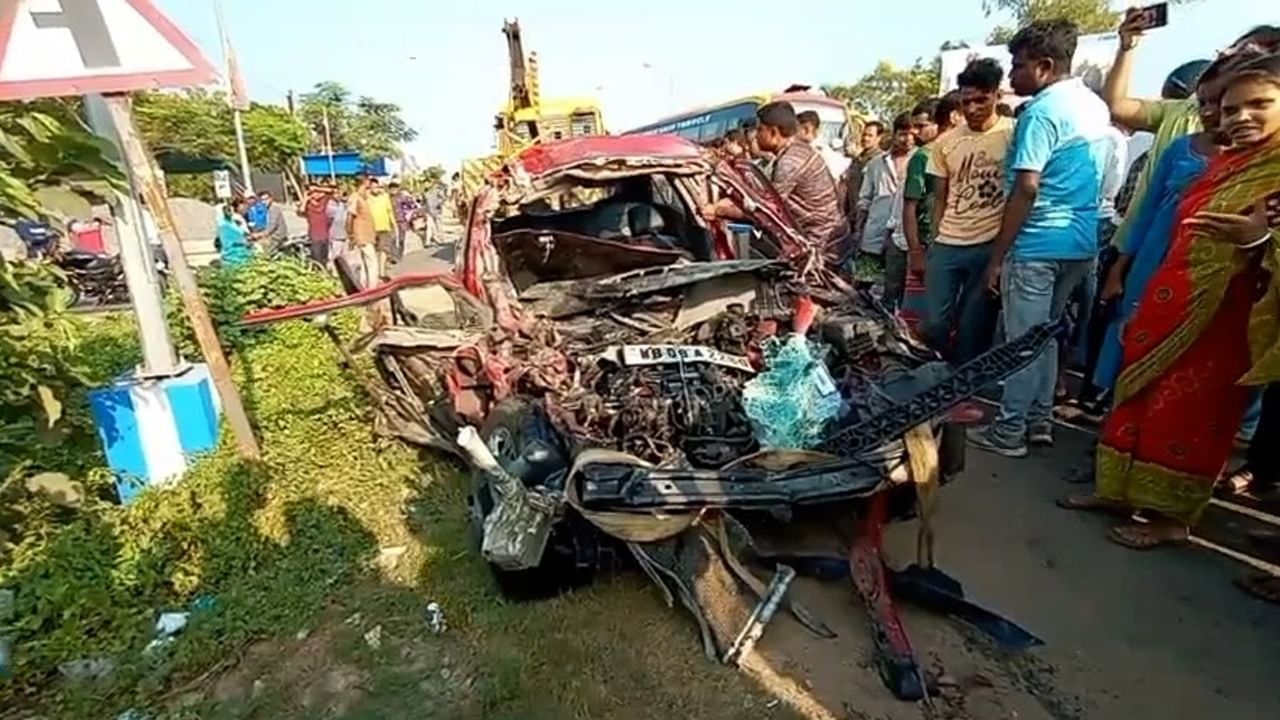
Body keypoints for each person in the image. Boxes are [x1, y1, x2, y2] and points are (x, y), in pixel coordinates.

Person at [1060, 53, 1280, 553]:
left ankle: (1170, 519)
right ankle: (1117, 491)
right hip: (1171, 294)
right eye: (1229, 110)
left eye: (1258, 105)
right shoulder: (1227, 162)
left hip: (1224, 316)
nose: (1240, 118)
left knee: (1189, 412)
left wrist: (1257, 242)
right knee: (1138, 395)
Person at [968, 20, 1111, 458]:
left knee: (1019, 342)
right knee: (1045, 338)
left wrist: (998, 255)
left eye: (1018, 66)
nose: (1012, 77)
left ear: (1045, 67)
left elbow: (1026, 187)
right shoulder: (1094, 106)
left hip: (1038, 243)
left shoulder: (1041, 112)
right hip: (1081, 243)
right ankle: (1039, 420)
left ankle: (1009, 431)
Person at [1090, 80, 1227, 398]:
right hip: (1153, 257)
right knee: (1130, 336)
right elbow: (1146, 211)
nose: (1208, 112)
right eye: (1202, 103)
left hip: (1207, 268)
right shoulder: (1181, 148)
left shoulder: (1256, 163)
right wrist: (1119, 269)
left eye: (1218, 103)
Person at [922, 59, 1013, 365]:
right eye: (966, 101)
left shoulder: (1014, 135)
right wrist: (934, 241)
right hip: (948, 243)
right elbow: (938, 197)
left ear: (996, 96)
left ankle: (960, 391)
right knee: (934, 323)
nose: (972, 108)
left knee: (973, 331)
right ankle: (935, 376)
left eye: (981, 100)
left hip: (989, 246)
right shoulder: (945, 143)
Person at [702, 101, 846, 256]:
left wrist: (719, 210)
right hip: (828, 239)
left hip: (823, 244)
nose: (756, 135)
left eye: (760, 130)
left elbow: (768, 212)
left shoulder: (790, 162)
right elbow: (760, 194)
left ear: (773, 133)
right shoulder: (797, 152)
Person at [903, 93, 962, 277]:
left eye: (920, 126)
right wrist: (915, 251)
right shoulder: (923, 156)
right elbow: (909, 207)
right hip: (929, 243)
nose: (914, 132)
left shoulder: (964, 151)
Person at [855, 113, 914, 294]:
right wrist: (859, 229)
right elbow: (865, 199)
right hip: (874, 233)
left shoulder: (920, 161)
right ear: (894, 134)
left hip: (903, 237)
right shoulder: (876, 164)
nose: (907, 139)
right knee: (863, 285)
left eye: (912, 134)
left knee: (894, 288)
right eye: (903, 134)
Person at [843, 120, 885, 229]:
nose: (866, 139)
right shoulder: (858, 159)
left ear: (879, 137)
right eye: (864, 135)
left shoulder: (880, 161)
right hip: (853, 213)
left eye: (870, 135)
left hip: (869, 216)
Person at [345, 175, 380, 287]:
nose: (369, 190)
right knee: (372, 263)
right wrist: (350, 235)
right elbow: (349, 217)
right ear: (362, 185)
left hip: (367, 236)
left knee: (366, 264)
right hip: (361, 237)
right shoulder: (355, 198)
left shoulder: (363, 199)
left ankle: (366, 286)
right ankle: (372, 289)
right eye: (367, 187)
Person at [299, 183, 335, 265]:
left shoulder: (324, 201)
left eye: (317, 192)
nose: (316, 194)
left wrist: (317, 188)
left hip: (326, 236)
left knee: (325, 259)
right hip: (315, 237)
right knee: (316, 260)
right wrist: (306, 198)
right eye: (313, 192)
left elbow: (331, 191)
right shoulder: (308, 206)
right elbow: (301, 211)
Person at [367, 178, 399, 267]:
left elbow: (390, 212)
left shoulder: (385, 197)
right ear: (369, 188)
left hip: (384, 228)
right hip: (371, 229)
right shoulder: (367, 198)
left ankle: (382, 271)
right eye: (372, 187)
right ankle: (375, 267)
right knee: (374, 250)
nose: (375, 189)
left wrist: (394, 224)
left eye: (376, 187)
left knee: (384, 249)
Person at [215, 201, 252, 267]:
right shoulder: (223, 224)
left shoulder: (233, 222)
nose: (231, 212)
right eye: (228, 210)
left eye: (231, 210)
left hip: (241, 252)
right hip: (231, 252)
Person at [389, 180, 418, 257]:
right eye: (392, 188)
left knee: (402, 239)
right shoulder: (387, 198)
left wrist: (409, 215)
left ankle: (400, 254)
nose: (393, 190)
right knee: (393, 239)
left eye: (395, 188)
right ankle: (393, 255)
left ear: (398, 188)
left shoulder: (402, 197)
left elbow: (412, 205)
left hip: (402, 221)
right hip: (391, 221)